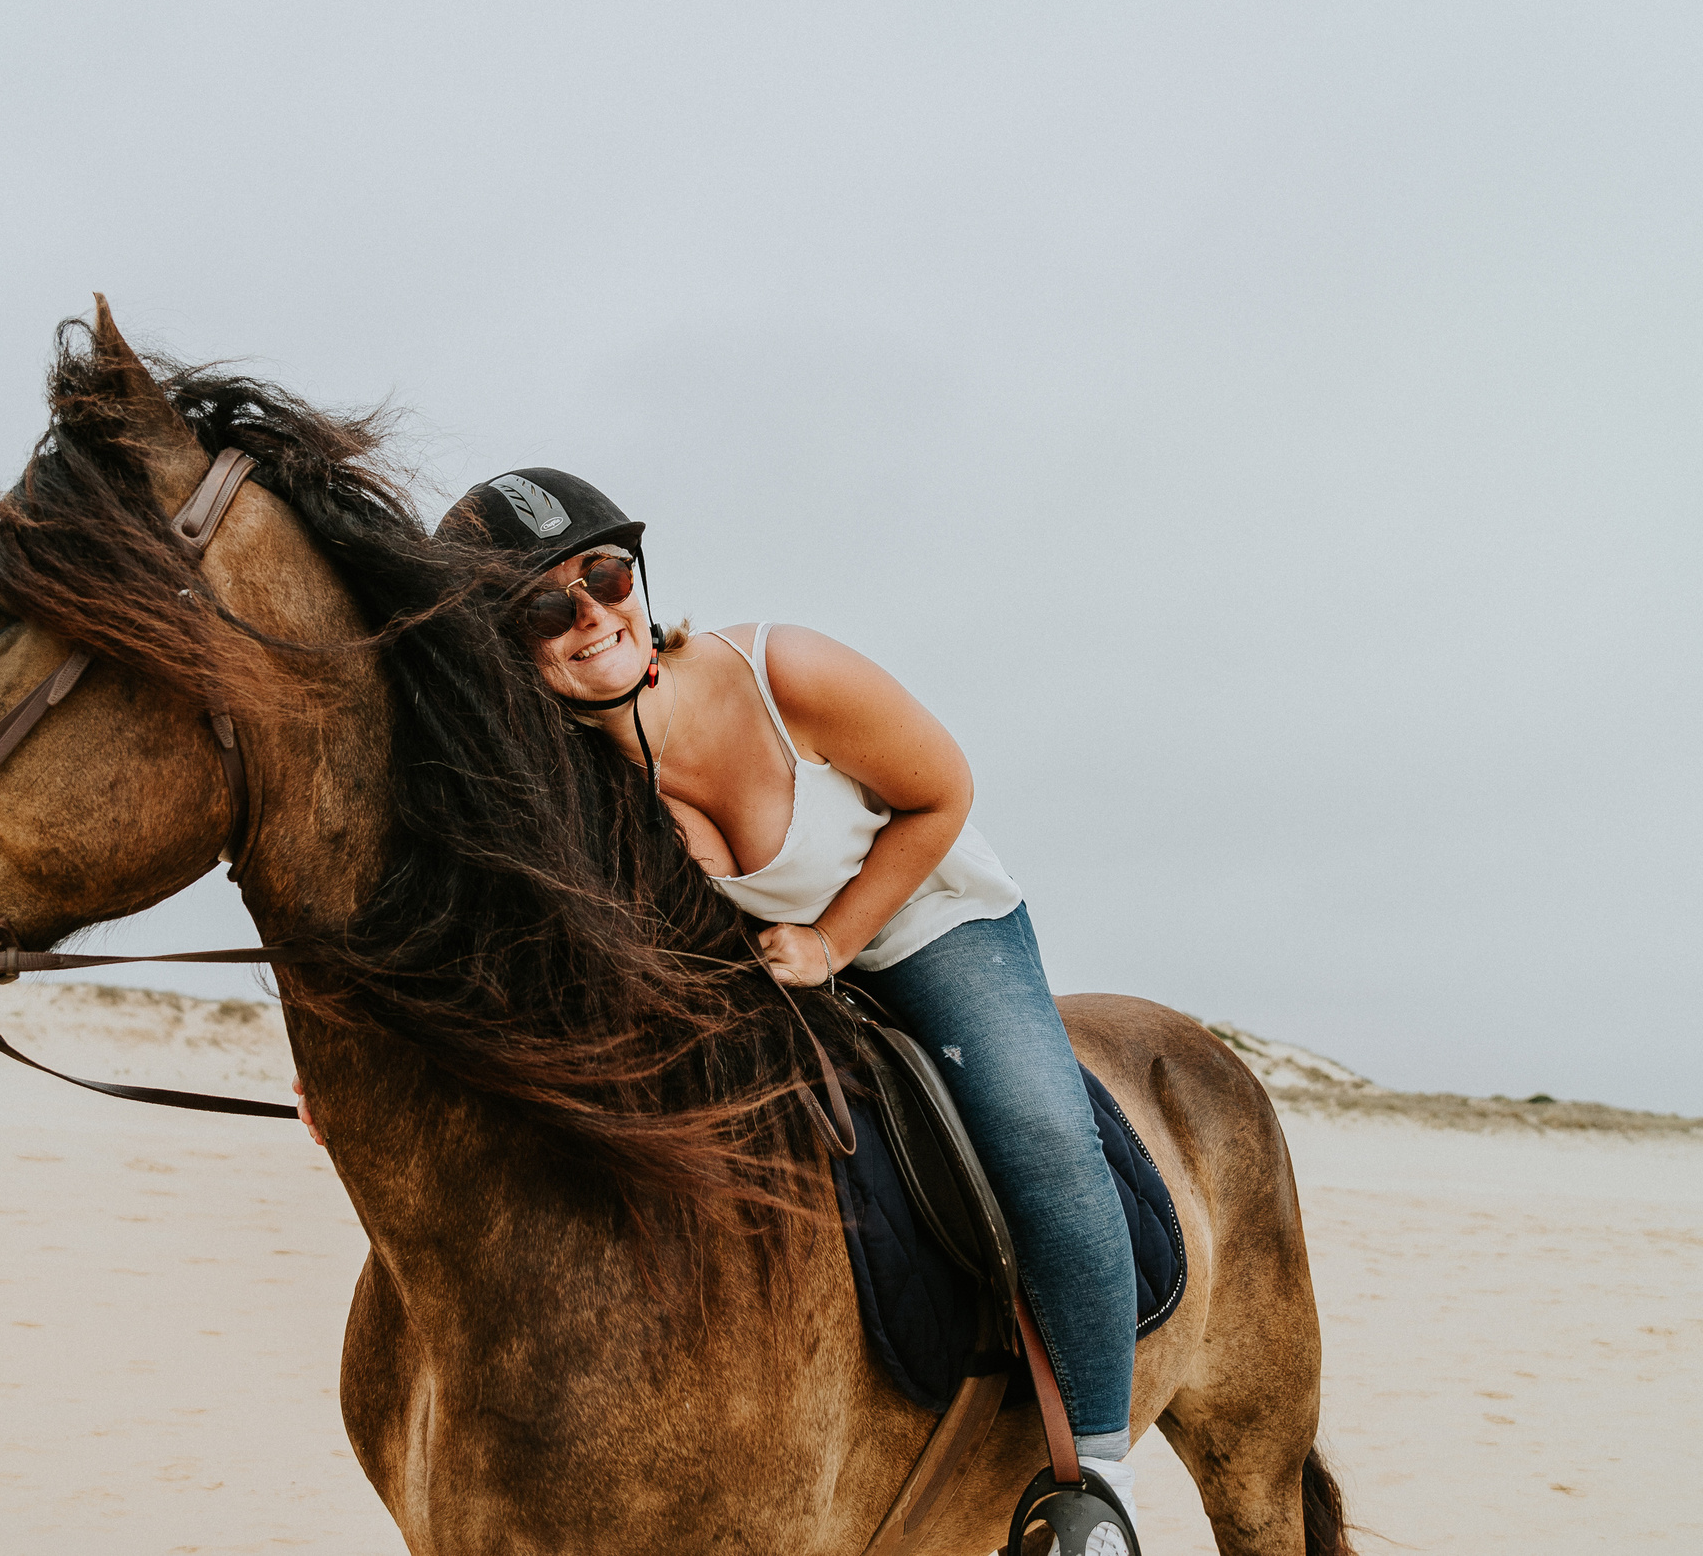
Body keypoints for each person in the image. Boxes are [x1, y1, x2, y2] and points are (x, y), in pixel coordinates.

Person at [295, 467, 1144, 1535]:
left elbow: (941, 793)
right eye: (546, 607)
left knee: (1037, 1131)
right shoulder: (557, 784)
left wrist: (833, 942)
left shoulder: (781, 671)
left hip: (924, 917)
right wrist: (352, 1065)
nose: (592, 615)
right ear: (500, 647)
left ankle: (1094, 1488)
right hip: (757, 965)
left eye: (604, 576)